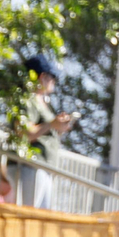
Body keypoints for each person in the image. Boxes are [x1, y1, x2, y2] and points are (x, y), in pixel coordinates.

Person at [18, 54, 75, 209]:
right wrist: (51, 124)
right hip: (33, 167)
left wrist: (58, 126)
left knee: (41, 218)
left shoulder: (42, 102)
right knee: (30, 215)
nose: (54, 82)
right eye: (52, 77)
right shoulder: (28, 100)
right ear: (42, 77)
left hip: (45, 168)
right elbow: (25, 133)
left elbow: (46, 129)